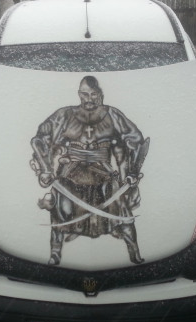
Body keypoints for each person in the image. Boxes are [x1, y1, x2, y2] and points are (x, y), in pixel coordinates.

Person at [30, 76, 149, 266]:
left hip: (104, 173)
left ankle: (134, 253)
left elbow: (136, 140)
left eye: (93, 94)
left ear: (100, 94)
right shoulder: (64, 115)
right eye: (85, 94)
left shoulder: (113, 115)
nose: (89, 99)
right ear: (79, 94)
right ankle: (55, 254)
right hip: (70, 173)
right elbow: (40, 139)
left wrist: (132, 172)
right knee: (60, 212)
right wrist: (45, 169)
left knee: (122, 212)